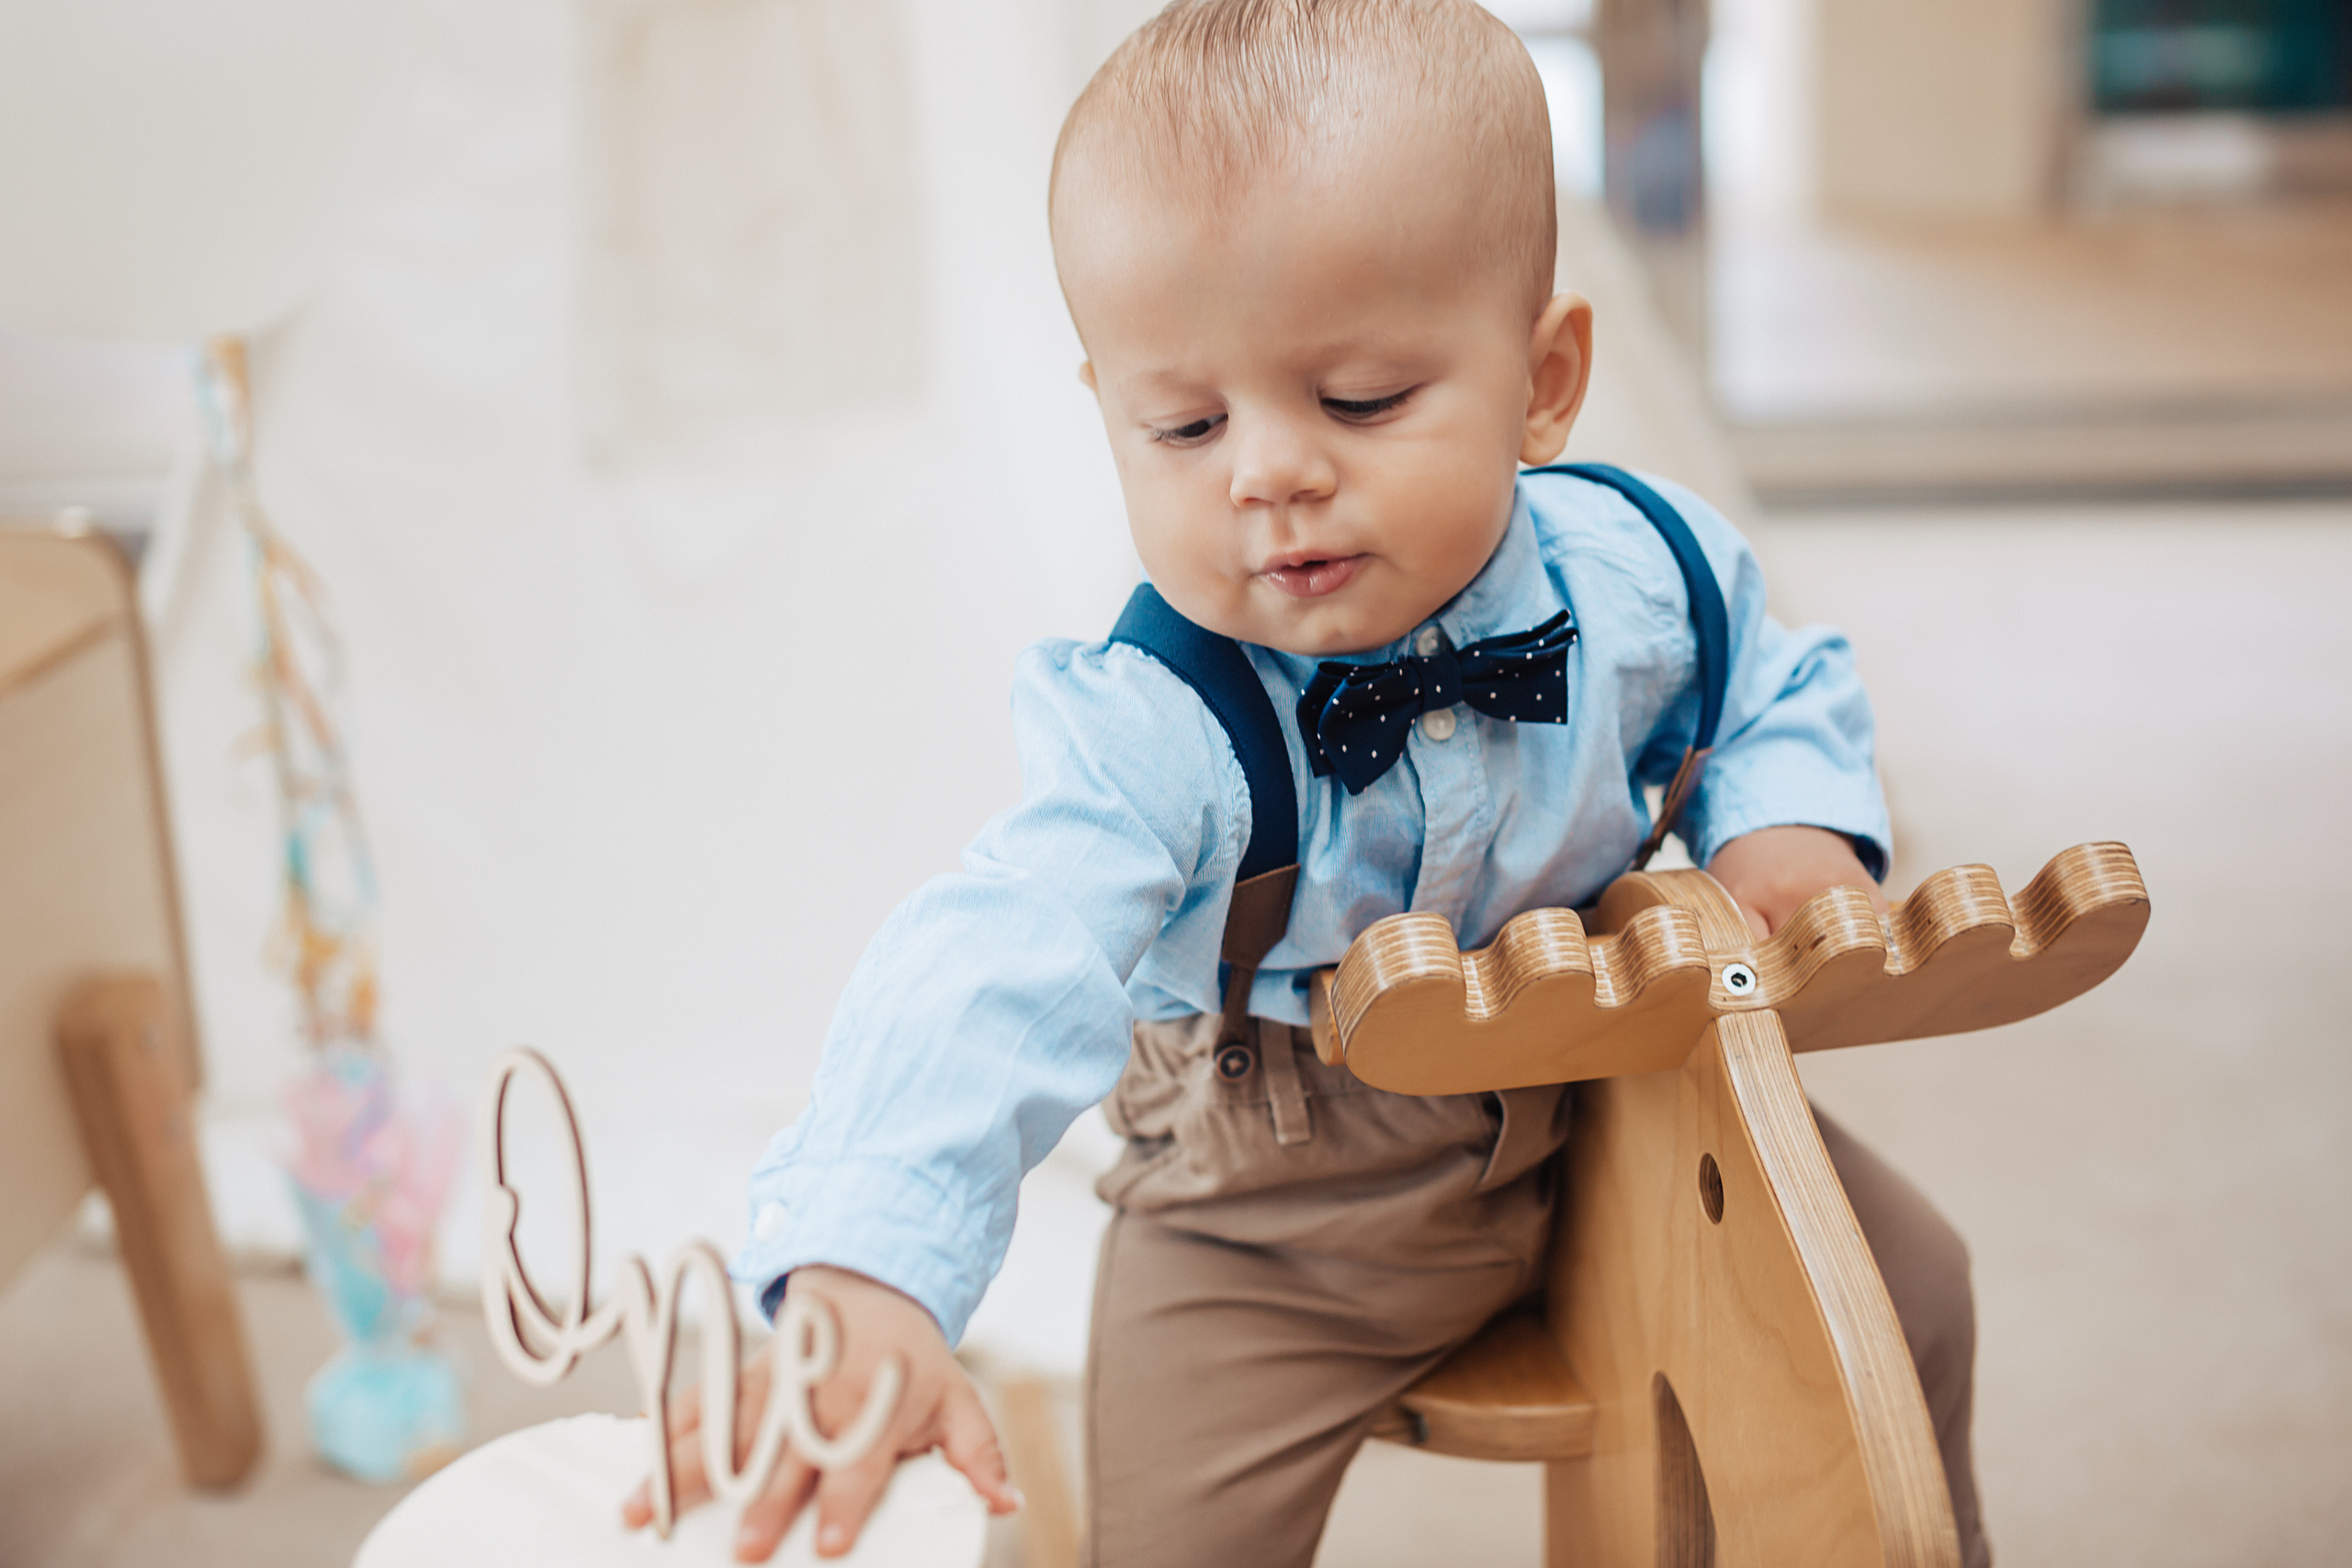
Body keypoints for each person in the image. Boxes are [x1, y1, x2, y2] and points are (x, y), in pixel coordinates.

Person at [628, 3, 1985, 1563]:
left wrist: (1789, 829)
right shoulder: (1164, 723)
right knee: (1178, 1541)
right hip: (1274, 1224)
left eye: (1357, 401)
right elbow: (999, 957)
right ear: (1110, 419)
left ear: (1545, 382)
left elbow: (1777, 677)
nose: (1269, 473)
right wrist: (867, 1265)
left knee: (1914, 1289)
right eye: (1187, 425)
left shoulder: (1641, 573)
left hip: (1619, 1108)